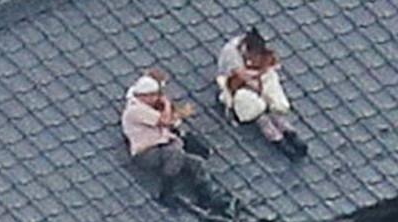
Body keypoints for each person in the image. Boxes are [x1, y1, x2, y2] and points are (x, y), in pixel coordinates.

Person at [120, 73, 226, 210]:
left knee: (196, 162)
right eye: (153, 95)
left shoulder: (146, 108)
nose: (156, 98)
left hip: (161, 149)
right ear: (144, 96)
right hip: (146, 153)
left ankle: (206, 196)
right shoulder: (135, 110)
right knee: (174, 152)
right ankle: (167, 192)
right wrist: (166, 104)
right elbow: (165, 121)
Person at [216, 27, 306, 158]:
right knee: (257, 110)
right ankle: (277, 139)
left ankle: (288, 131)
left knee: (271, 83)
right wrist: (260, 93)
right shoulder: (232, 55)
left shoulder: (254, 47)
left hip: (252, 79)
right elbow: (240, 78)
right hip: (232, 86)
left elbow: (267, 67)